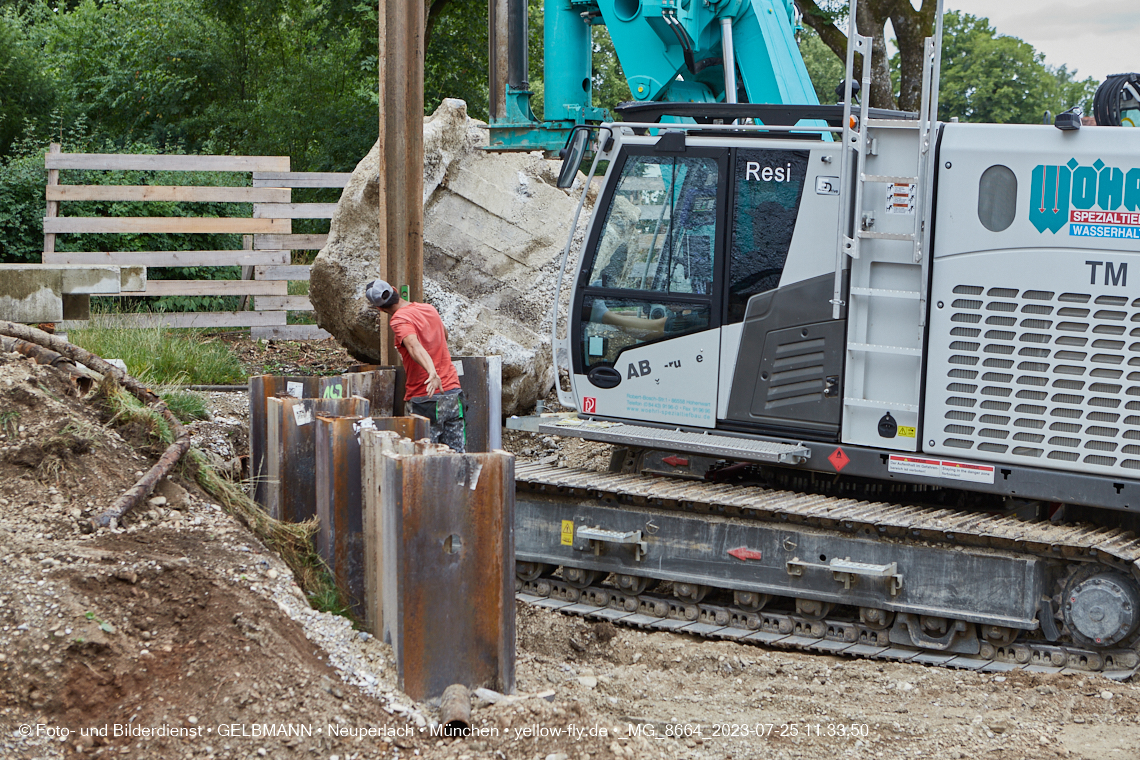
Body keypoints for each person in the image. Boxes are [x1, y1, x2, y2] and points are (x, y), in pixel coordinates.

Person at [365, 279, 466, 453]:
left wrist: (432, 372)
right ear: (395, 290)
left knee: (423, 458)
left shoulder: (399, 319)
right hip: (452, 394)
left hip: (425, 398)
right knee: (457, 457)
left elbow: (413, 345)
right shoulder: (428, 308)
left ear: (380, 309)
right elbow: (444, 335)